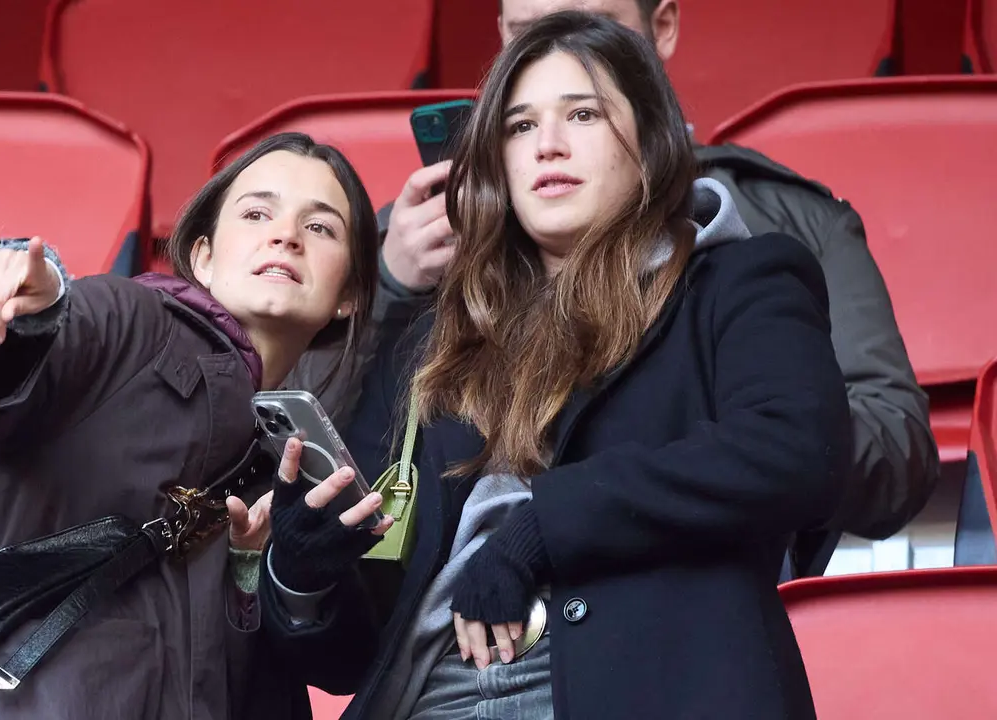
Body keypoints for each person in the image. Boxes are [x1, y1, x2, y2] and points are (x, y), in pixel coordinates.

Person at [263, 11, 852, 719]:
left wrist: (543, 525)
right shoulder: (438, 337)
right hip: (428, 699)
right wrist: (302, 574)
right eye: (518, 126)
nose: (547, 145)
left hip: (648, 689)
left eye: (583, 114)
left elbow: (798, 453)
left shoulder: (738, 279)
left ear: (650, 139)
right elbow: (348, 655)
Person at [327, 0, 936, 551]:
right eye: (529, 37)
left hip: (702, 588)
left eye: (595, 26)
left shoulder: (785, 224)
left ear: (661, 28)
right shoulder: (417, 232)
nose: (561, 52)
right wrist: (394, 287)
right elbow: (323, 457)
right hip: (472, 630)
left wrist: (712, 399)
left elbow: (895, 462)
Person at [0, 131, 378, 719]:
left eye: (321, 227)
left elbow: (340, 665)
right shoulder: (133, 322)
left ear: (351, 293)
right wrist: (21, 310)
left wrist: (274, 576)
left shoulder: (298, 457)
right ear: (202, 258)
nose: (285, 235)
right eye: (256, 213)